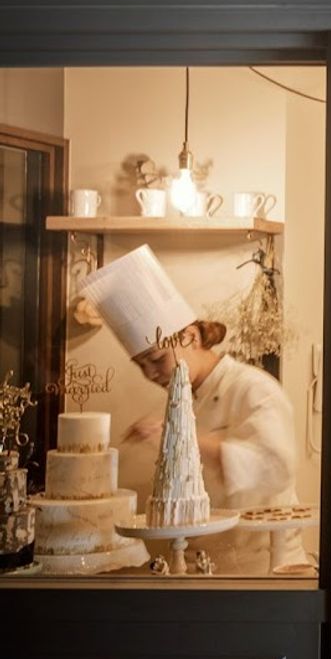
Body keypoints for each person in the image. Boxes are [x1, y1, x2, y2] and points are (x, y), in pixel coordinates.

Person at [81, 245, 306, 576]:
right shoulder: (185, 399)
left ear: (191, 337)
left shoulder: (253, 388)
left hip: (262, 570)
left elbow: (276, 465)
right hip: (201, 568)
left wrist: (184, 441)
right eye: (140, 365)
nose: (151, 374)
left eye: (156, 360)